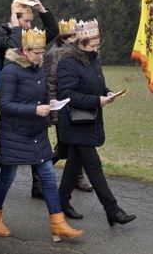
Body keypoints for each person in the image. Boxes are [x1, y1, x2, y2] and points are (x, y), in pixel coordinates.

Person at [0, 27, 83, 243]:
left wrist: (50, 102)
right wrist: (34, 109)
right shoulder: (10, 71)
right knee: (7, 177)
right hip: (14, 133)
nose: (41, 56)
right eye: (37, 52)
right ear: (25, 50)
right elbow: (5, 105)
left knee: (48, 176)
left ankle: (58, 223)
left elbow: (44, 92)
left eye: (42, 52)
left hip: (36, 132)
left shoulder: (38, 67)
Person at [56, 19, 136, 227]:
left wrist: (106, 92)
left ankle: (60, 202)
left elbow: (93, 83)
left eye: (97, 45)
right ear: (80, 43)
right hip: (75, 123)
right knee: (94, 167)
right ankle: (112, 209)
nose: (95, 49)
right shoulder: (68, 62)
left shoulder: (92, 59)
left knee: (74, 164)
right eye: (92, 46)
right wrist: (96, 101)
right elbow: (66, 94)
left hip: (88, 120)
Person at [0, 0, 58, 189]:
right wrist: (16, 26)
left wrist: (43, 10)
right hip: (14, 87)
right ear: (15, 18)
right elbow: (14, 46)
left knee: (37, 133)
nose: (28, 27)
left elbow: (52, 32)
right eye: (25, 21)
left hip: (33, 83)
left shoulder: (32, 35)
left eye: (30, 23)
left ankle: (38, 184)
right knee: (12, 141)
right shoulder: (1, 33)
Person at [44, 18, 93, 193]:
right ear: (64, 37)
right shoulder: (54, 54)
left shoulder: (75, 53)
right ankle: (42, 169)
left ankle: (76, 177)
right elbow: (50, 83)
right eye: (72, 36)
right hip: (62, 106)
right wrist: (54, 112)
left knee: (75, 145)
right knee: (65, 148)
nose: (76, 39)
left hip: (76, 104)